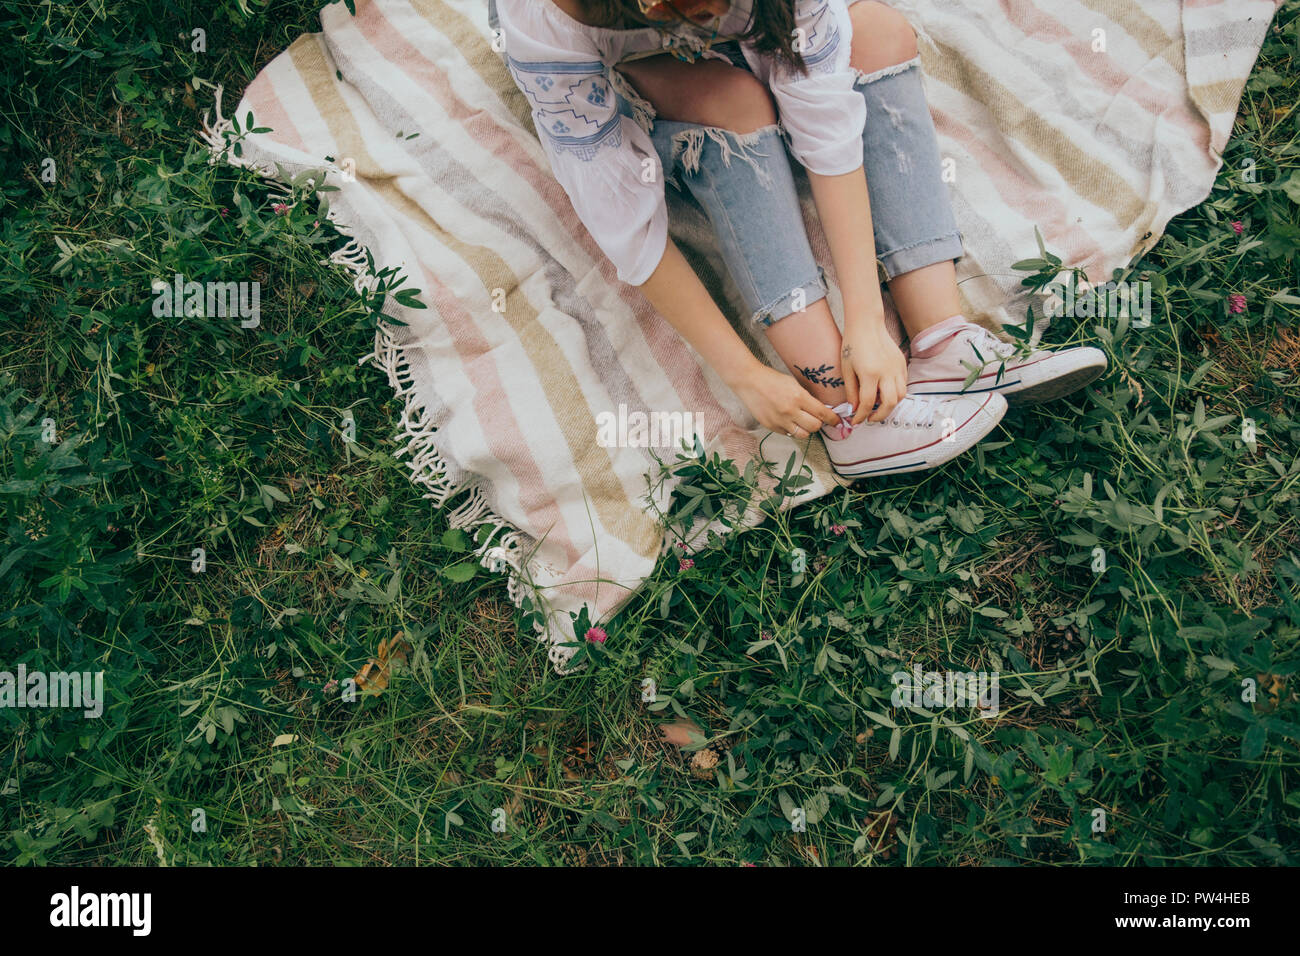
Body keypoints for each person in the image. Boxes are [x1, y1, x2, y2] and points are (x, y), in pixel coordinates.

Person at [491, 0, 1107, 477]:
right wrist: (744, 377)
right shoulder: (548, 24)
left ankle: (941, 340)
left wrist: (867, 319)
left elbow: (827, 130)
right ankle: (849, 412)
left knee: (878, 33)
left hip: (716, 22)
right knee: (733, 100)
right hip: (622, 57)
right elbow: (622, 218)